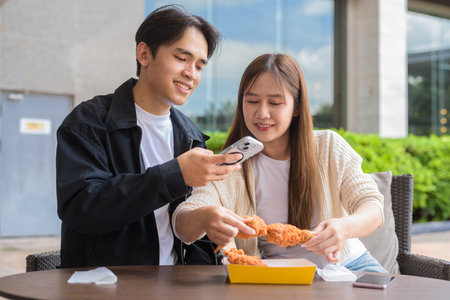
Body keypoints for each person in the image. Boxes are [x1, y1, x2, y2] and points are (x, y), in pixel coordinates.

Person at [56, 5, 247, 268]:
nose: (191, 73)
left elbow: (188, 237)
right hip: (106, 286)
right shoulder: (89, 122)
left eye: (200, 66)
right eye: (182, 58)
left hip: (176, 286)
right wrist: (174, 175)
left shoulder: (191, 136)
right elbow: (80, 209)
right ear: (144, 54)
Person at [173, 53, 388, 273]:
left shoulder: (328, 146)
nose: (262, 113)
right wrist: (204, 218)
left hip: (348, 265)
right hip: (273, 273)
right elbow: (183, 224)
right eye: (252, 101)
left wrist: (344, 228)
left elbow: (372, 206)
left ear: (296, 107)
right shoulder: (227, 164)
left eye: (275, 102)